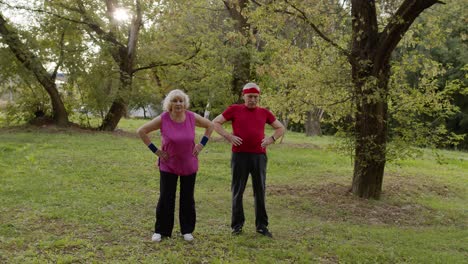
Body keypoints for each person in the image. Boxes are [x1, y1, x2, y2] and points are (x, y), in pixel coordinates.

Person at [137, 89, 214, 242]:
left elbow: (210, 126)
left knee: (187, 198)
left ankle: (187, 230)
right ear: (169, 103)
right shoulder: (163, 118)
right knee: (166, 197)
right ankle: (161, 231)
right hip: (168, 165)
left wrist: (201, 145)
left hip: (189, 163)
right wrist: (156, 151)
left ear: (185, 103)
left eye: (181, 101)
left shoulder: (192, 117)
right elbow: (142, 131)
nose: (178, 103)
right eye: (175, 100)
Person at [213, 82, 285, 238]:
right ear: (243, 95)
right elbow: (216, 122)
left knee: (260, 190)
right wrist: (228, 136)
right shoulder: (234, 109)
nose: (253, 99)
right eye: (250, 96)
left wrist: (271, 139)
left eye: (255, 97)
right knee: (238, 190)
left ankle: (262, 226)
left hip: (259, 156)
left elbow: (280, 128)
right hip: (239, 156)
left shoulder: (264, 112)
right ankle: (237, 226)